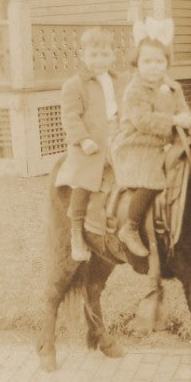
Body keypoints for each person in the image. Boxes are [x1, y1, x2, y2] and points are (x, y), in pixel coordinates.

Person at [112, 17, 191, 258]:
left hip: (166, 142)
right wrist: (173, 121)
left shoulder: (173, 87)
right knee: (151, 178)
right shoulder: (134, 89)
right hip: (137, 143)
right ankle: (130, 227)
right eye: (147, 61)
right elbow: (143, 121)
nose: (154, 66)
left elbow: (182, 109)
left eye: (159, 61)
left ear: (167, 63)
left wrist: (187, 118)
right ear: (137, 63)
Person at [54, 27, 124, 262]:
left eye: (104, 55)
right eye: (93, 55)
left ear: (113, 56)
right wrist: (83, 139)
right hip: (89, 143)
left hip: (116, 136)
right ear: (83, 56)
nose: (99, 60)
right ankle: (76, 233)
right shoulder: (74, 85)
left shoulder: (118, 80)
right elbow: (70, 116)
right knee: (82, 184)